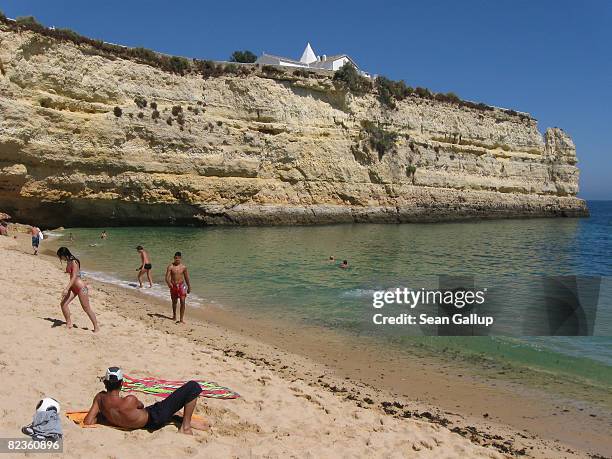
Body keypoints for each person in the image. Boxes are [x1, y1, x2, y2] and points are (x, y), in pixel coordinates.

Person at [84, 367, 208, 434]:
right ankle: (185, 427)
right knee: (193, 387)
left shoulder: (100, 398)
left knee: (167, 410)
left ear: (105, 382)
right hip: (154, 418)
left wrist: (105, 416)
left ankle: (176, 417)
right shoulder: (129, 400)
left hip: (145, 420)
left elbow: (88, 421)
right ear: (122, 383)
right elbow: (141, 405)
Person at [57, 247, 99, 332]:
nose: (60, 258)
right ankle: (69, 323)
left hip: (81, 288)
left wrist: (66, 289)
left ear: (64, 255)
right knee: (63, 304)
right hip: (73, 287)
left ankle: (96, 326)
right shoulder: (68, 261)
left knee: (86, 308)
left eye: (60, 256)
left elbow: (74, 277)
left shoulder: (74, 262)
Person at [165, 252, 191, 324]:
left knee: (182, 302)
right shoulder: (170, 267)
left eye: (178, 258)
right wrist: (169, 283)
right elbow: (166, 277)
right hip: (173, 286)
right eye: (176, 258)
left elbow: (186, 278)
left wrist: (189, 287)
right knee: (174, 302)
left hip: (182, 285)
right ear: (174, 258)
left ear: (180, 258)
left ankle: (181, 319)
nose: (177, 260)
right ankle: (174, 316)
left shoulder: (183, 267)